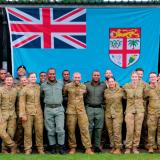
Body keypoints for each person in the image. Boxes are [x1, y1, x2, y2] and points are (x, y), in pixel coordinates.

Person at [63, 72, 94, 155]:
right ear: (73, 77)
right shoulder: (67, 86)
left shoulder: (84, 87)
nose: (77, 79)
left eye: (78, 77)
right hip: (71, 111)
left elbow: (84, 96)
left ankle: (87, 148)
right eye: (75, 77)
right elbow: (64, 95)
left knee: (85, 129)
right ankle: (72, 148)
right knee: (71, 130)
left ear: (80, 78)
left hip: (81, 111)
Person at [41, 68, 65, 154]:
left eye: (53, 74)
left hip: (59, 108)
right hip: (48, 109)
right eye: (50, 74)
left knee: (60, 128)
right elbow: (41, 96)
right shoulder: (43, 85)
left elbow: (64, 93)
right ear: (48, 75)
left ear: (55, 74)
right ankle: (53, 147)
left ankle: (61, 147)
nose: (52, 75)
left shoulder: (61, 83)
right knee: (50, 129)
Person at [19, 72, 44, 154]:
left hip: (38, 113)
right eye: (32, 77)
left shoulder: (38, 87)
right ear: (28, 78)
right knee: (28, 132)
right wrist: (23, 115)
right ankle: (27, 149)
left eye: (34, 77)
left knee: (39, 131)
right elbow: (22, 103)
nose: (33, 78)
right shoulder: (24, 89)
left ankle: (40, 148)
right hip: (28, 113)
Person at [123, 71, 145, 154]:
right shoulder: (126, 86)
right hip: (129, 110)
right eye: (133, 77)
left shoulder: (143, 86)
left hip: (140, 110)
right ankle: (128, 147)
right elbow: (124, 96)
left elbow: (145, 96)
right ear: (131, 77)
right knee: (129, 129)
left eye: (136, 77)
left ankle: (135, 147)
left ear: (138, 77)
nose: (135, 78)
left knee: (138, 130)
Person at [84, 70, 106, 153]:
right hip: (89, 108)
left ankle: (97, 146)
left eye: (98, 75)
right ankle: (88, 146)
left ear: (100, 76)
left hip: (99, 108)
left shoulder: (103, 85)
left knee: (99, 128)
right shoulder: (86, 85)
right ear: (92, 76)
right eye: (94, 75)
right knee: (88, 128)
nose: (96, 76)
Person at [104, 77, 123, 154]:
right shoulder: (106, 91)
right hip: (108, 114)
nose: (111, 83)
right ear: (107, 83)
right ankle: (113, 146)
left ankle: (118, 148)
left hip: (117, 114)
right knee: (110, 132)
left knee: (117, 131)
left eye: (112, 81)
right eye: (109, 82)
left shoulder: (120, 90)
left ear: (115, 82)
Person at [0, 75, 17, 154]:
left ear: (13, 81)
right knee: (1, 132)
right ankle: (12, 145)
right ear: (5, 81)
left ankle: (4, 149)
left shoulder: (15, 90)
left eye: (11, 80)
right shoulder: (0, 90)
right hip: (3, 114)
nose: (9, 81)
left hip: (12, 114)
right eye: (8, 80)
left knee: (11, 133)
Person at [144, 72, 160, 153]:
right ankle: (151, 146)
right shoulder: (147, 88)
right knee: (151, 130)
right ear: (149, 78)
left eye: (154, 77)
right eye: (151, 77)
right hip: (152, 112)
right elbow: (144, 98)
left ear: (157, 78)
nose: (152, 78)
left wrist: (157, 85)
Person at [14, 76, 28, 153]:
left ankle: (27, 146)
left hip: (29, 112)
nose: (24, 81)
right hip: (19, 113)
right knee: (19, 130)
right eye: (22, 80)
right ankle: (17, 146)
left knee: (28, 131)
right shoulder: (16, 89)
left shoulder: (30, 88)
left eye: (25, 80)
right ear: (20, 81)